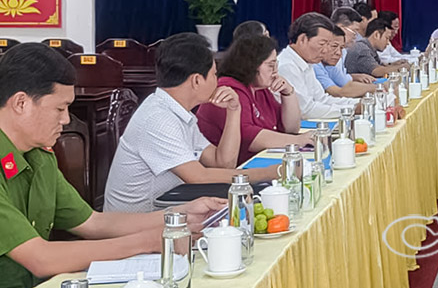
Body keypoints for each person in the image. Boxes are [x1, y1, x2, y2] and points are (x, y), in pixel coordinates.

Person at [0, 43, 225, 287]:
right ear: (21, 103)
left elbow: (93, 223)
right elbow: (40, 259)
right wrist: (147, 242)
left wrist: (180, 214)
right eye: (60, 108)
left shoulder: (40, 156)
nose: (66, 119)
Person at [105, 33, 279, 213]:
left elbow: (222, 162)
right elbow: (198, 176)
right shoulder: (158, 118)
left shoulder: (177, 111)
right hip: (139, 220)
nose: (217, 81)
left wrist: (234, 111)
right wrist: (267, 173)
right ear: (196, 80)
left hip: (169, 205)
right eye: (214, 74)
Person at [197, 35, 313, 165]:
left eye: (276, 65)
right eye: (271, 65)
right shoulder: (229, 91)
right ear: (252, 65)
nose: (275, 71)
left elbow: (291, 128)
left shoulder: (260, 89)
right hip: (231, 169)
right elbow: (249, 137)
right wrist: (298, 141)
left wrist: (288, 93)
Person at [277, 13, 359, 119]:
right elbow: (306, 111)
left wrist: (359, 103)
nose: (325, 50)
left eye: (328, 45)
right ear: (303, 39)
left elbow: (322, 99)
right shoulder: (287, 66)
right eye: (322, 44)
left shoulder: (307, 62)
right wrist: (352, 109)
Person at [313, 28, 376, 98]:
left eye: (341, 48)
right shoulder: (315, 65)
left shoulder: (329, 65)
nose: (339, 53)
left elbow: (347, 84)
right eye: (334, 46)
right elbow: (338, 92)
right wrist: (378, 87)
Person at [345, 19, 409, 77]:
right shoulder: (362, 49)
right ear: (376, 35)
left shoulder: (370, 48)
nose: (387, 43)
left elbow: (379, 66)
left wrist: (394, 64)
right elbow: (378, 71)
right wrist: (401, 68)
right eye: (387, 38)